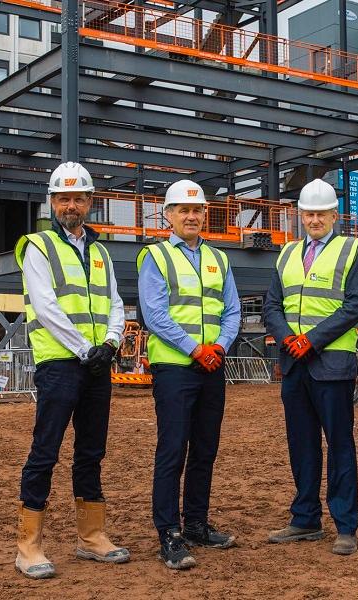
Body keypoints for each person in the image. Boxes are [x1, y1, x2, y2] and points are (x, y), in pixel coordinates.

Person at [13, 161, 130, 579]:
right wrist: (86, 348)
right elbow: (46, 307)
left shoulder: (100, 252)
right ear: (52, 202)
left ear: (90, 203)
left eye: (78, 198)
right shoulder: (38, 247)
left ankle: (92, 537)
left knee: (91, 451)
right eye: (63, 198)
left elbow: (115, 302)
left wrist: (112, 343)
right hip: (60, 363)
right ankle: (29, 545)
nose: (71, 205)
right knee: (45, 451)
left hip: (96, 363)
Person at [136, 179, 242, 570]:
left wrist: (220, 346)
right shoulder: (156, 257)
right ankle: (169, 532)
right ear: (169, 216)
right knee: (172, 450)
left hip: (211, 366)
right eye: (183, 210)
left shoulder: (219, 259)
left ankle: (196, 523)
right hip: (176, 368)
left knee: (205, 450)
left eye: (197, 210)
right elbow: (155, 313)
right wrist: (194, 348)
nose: (191, 216)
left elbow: (232, 311)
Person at [262, 178, 358, 556]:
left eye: (321, 213)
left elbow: (356, 305)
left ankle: (345, 524)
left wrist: (312, 339)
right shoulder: (286, 254)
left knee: (339, 445)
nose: (314, 219)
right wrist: (289, 338)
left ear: (334, 215)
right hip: (295, 365)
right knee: (302, 445)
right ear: (300, 216)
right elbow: (271, 306)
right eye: (308, 213)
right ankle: (305, 519)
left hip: (332, 365)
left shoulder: (352, 249)